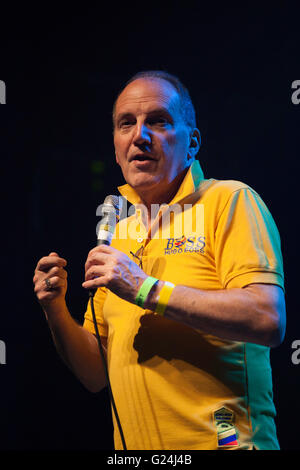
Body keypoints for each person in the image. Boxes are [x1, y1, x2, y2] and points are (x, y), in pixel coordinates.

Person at [33, 70, 286, 450]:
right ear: (116, 149)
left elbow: (268, 319)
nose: (140, 135)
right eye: (126, 124)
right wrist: (54, 309)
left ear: (192, 142)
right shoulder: (120, 235)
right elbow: (94, 374)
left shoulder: (229, 200)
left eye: (158, 121)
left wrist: (145, 288)